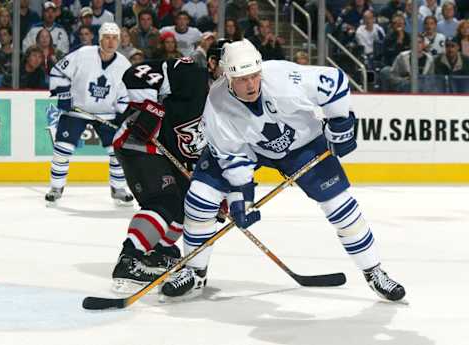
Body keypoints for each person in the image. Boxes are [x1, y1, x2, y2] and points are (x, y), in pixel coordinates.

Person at [159, 39, 406, 303]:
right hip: (250, 150)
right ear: (228, 76)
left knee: (341, 206)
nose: (251, 84)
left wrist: (340, 122)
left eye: (254, 76)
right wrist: (242, 198)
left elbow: (335, 82)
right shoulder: (217, 104)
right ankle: (195, 272)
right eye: (243, 79)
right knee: (200, 197)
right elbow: (233, 156)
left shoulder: (285, 78)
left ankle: (374, 271)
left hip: (304, 144)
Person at [110, 57, 208, 293]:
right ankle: (129, 259)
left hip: (168, 155)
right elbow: (137, 72)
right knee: (163, 202)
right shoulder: (194, 76)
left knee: (187, 204)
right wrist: (150, 108)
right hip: (139, 145)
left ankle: (160, 252)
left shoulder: (229, 109)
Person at [45, 22, 134, 205]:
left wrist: (123, 112)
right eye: (107, 38)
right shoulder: (83, 54)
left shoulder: (124, 64)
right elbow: (58, 71)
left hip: (107, 114)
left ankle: (118, 188)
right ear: (100, 39)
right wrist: (64, 95)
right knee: (62, 149)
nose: (111, 42)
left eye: (115, 38)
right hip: (77, 111)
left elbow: (126, 93)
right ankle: (56, 187)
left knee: (117, 152)